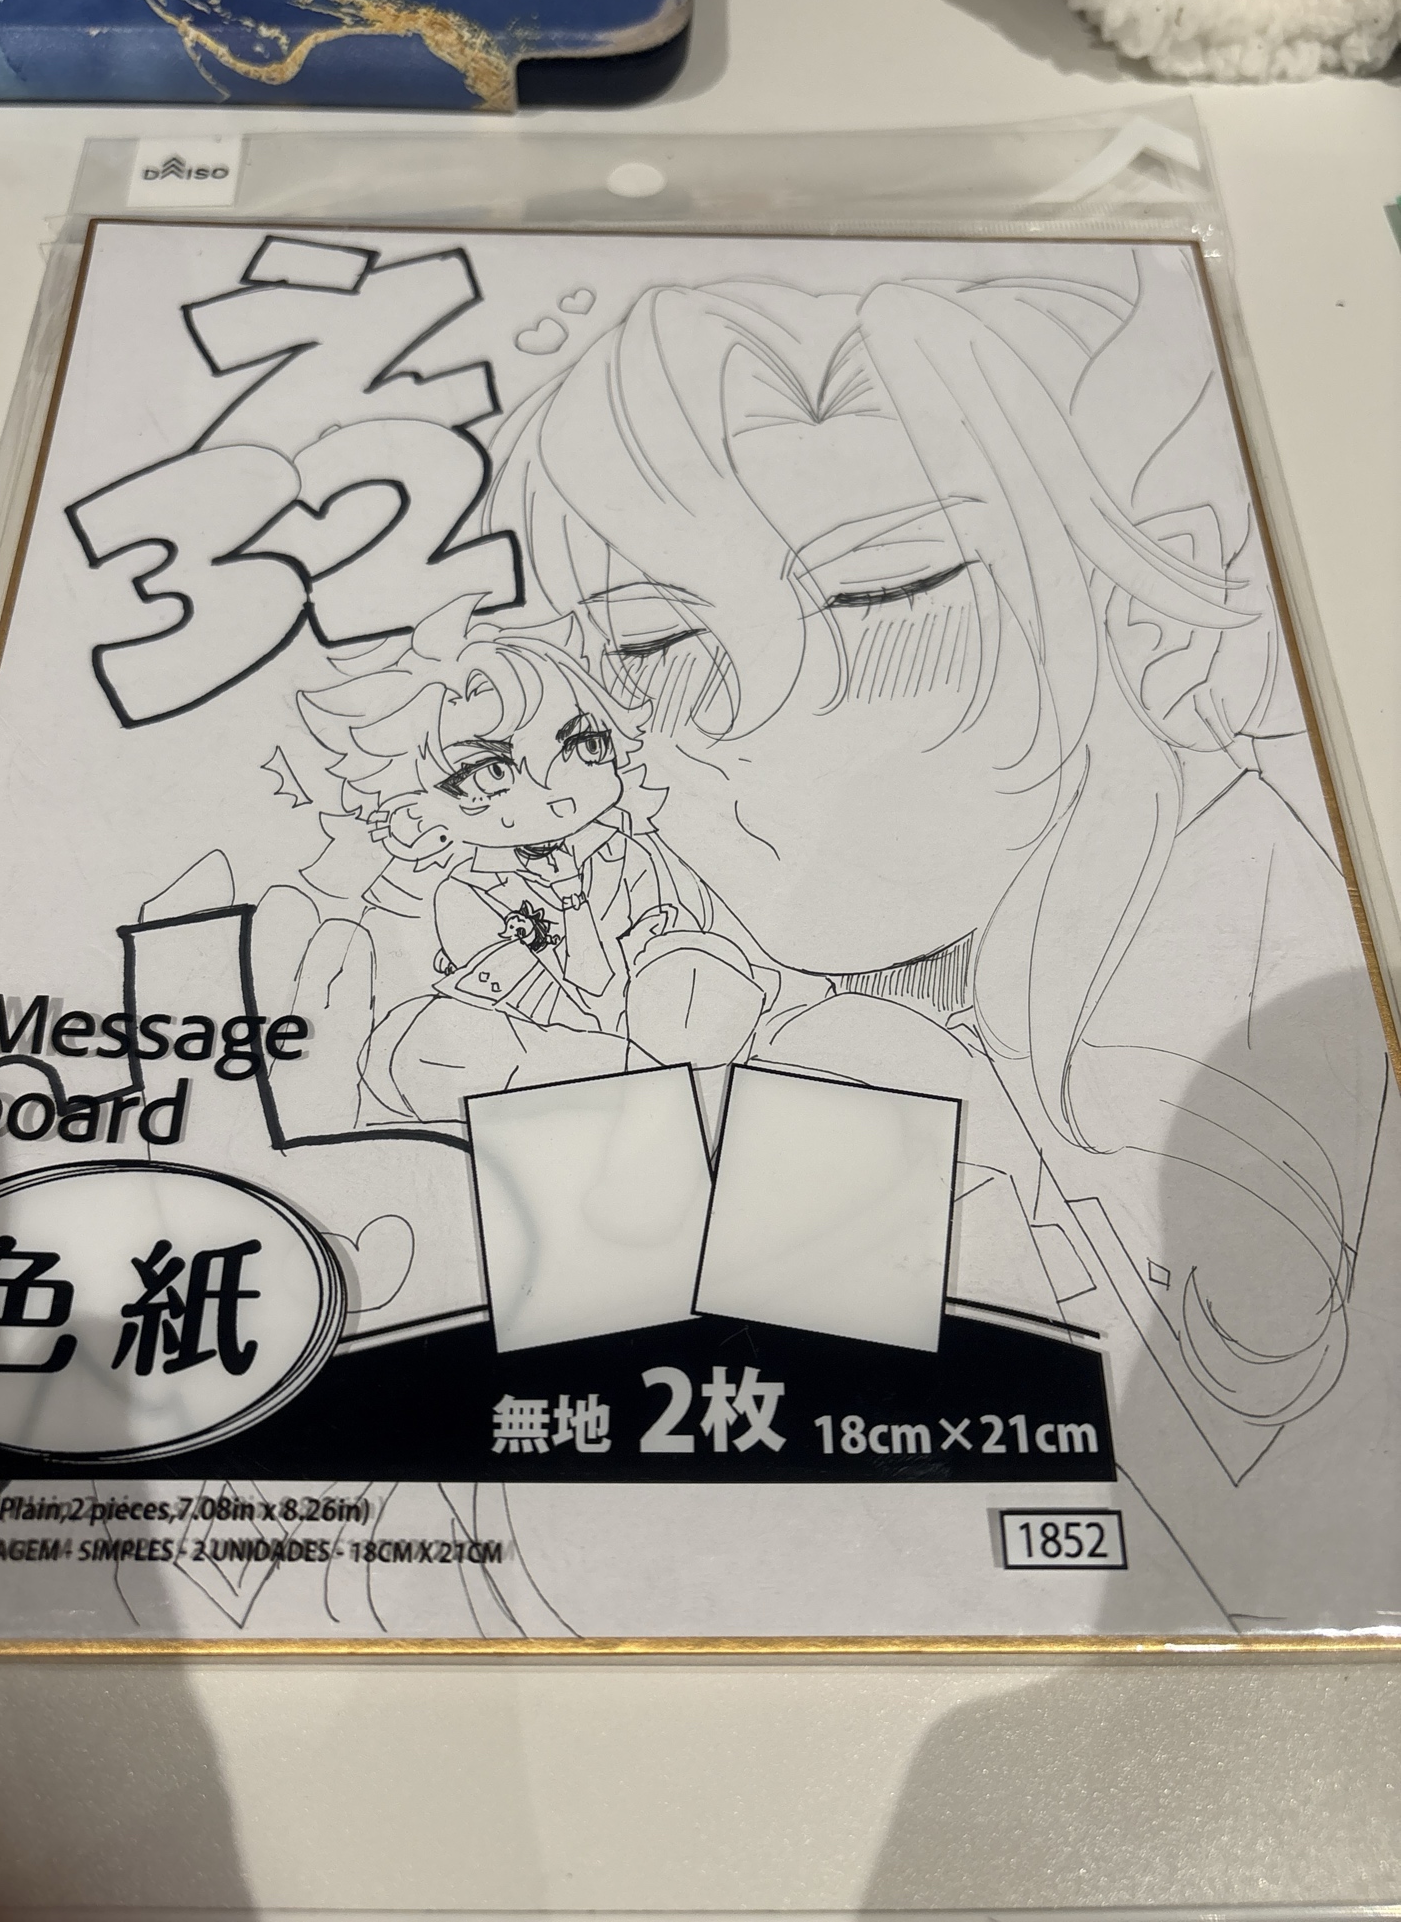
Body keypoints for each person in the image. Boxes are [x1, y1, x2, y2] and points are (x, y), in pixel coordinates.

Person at [482, 247, 1398, 1625]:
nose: (734, 730)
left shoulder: (1223, 936)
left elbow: (660, 1539)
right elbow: (596, 1520)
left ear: (1117, 586)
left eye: (883, 597)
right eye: (654, 644)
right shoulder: (890, 977)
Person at [298, 597, 771, 1126]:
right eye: (492, 773)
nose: (556, 793)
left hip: (654, 1041)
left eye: (584, 745)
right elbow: (546, 999)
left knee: (698, 969)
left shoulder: (626, 851)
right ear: (416, 808)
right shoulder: (464, 894)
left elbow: (681, 953)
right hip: (556, 1049)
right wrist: (572, 904)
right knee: (429, 1044)